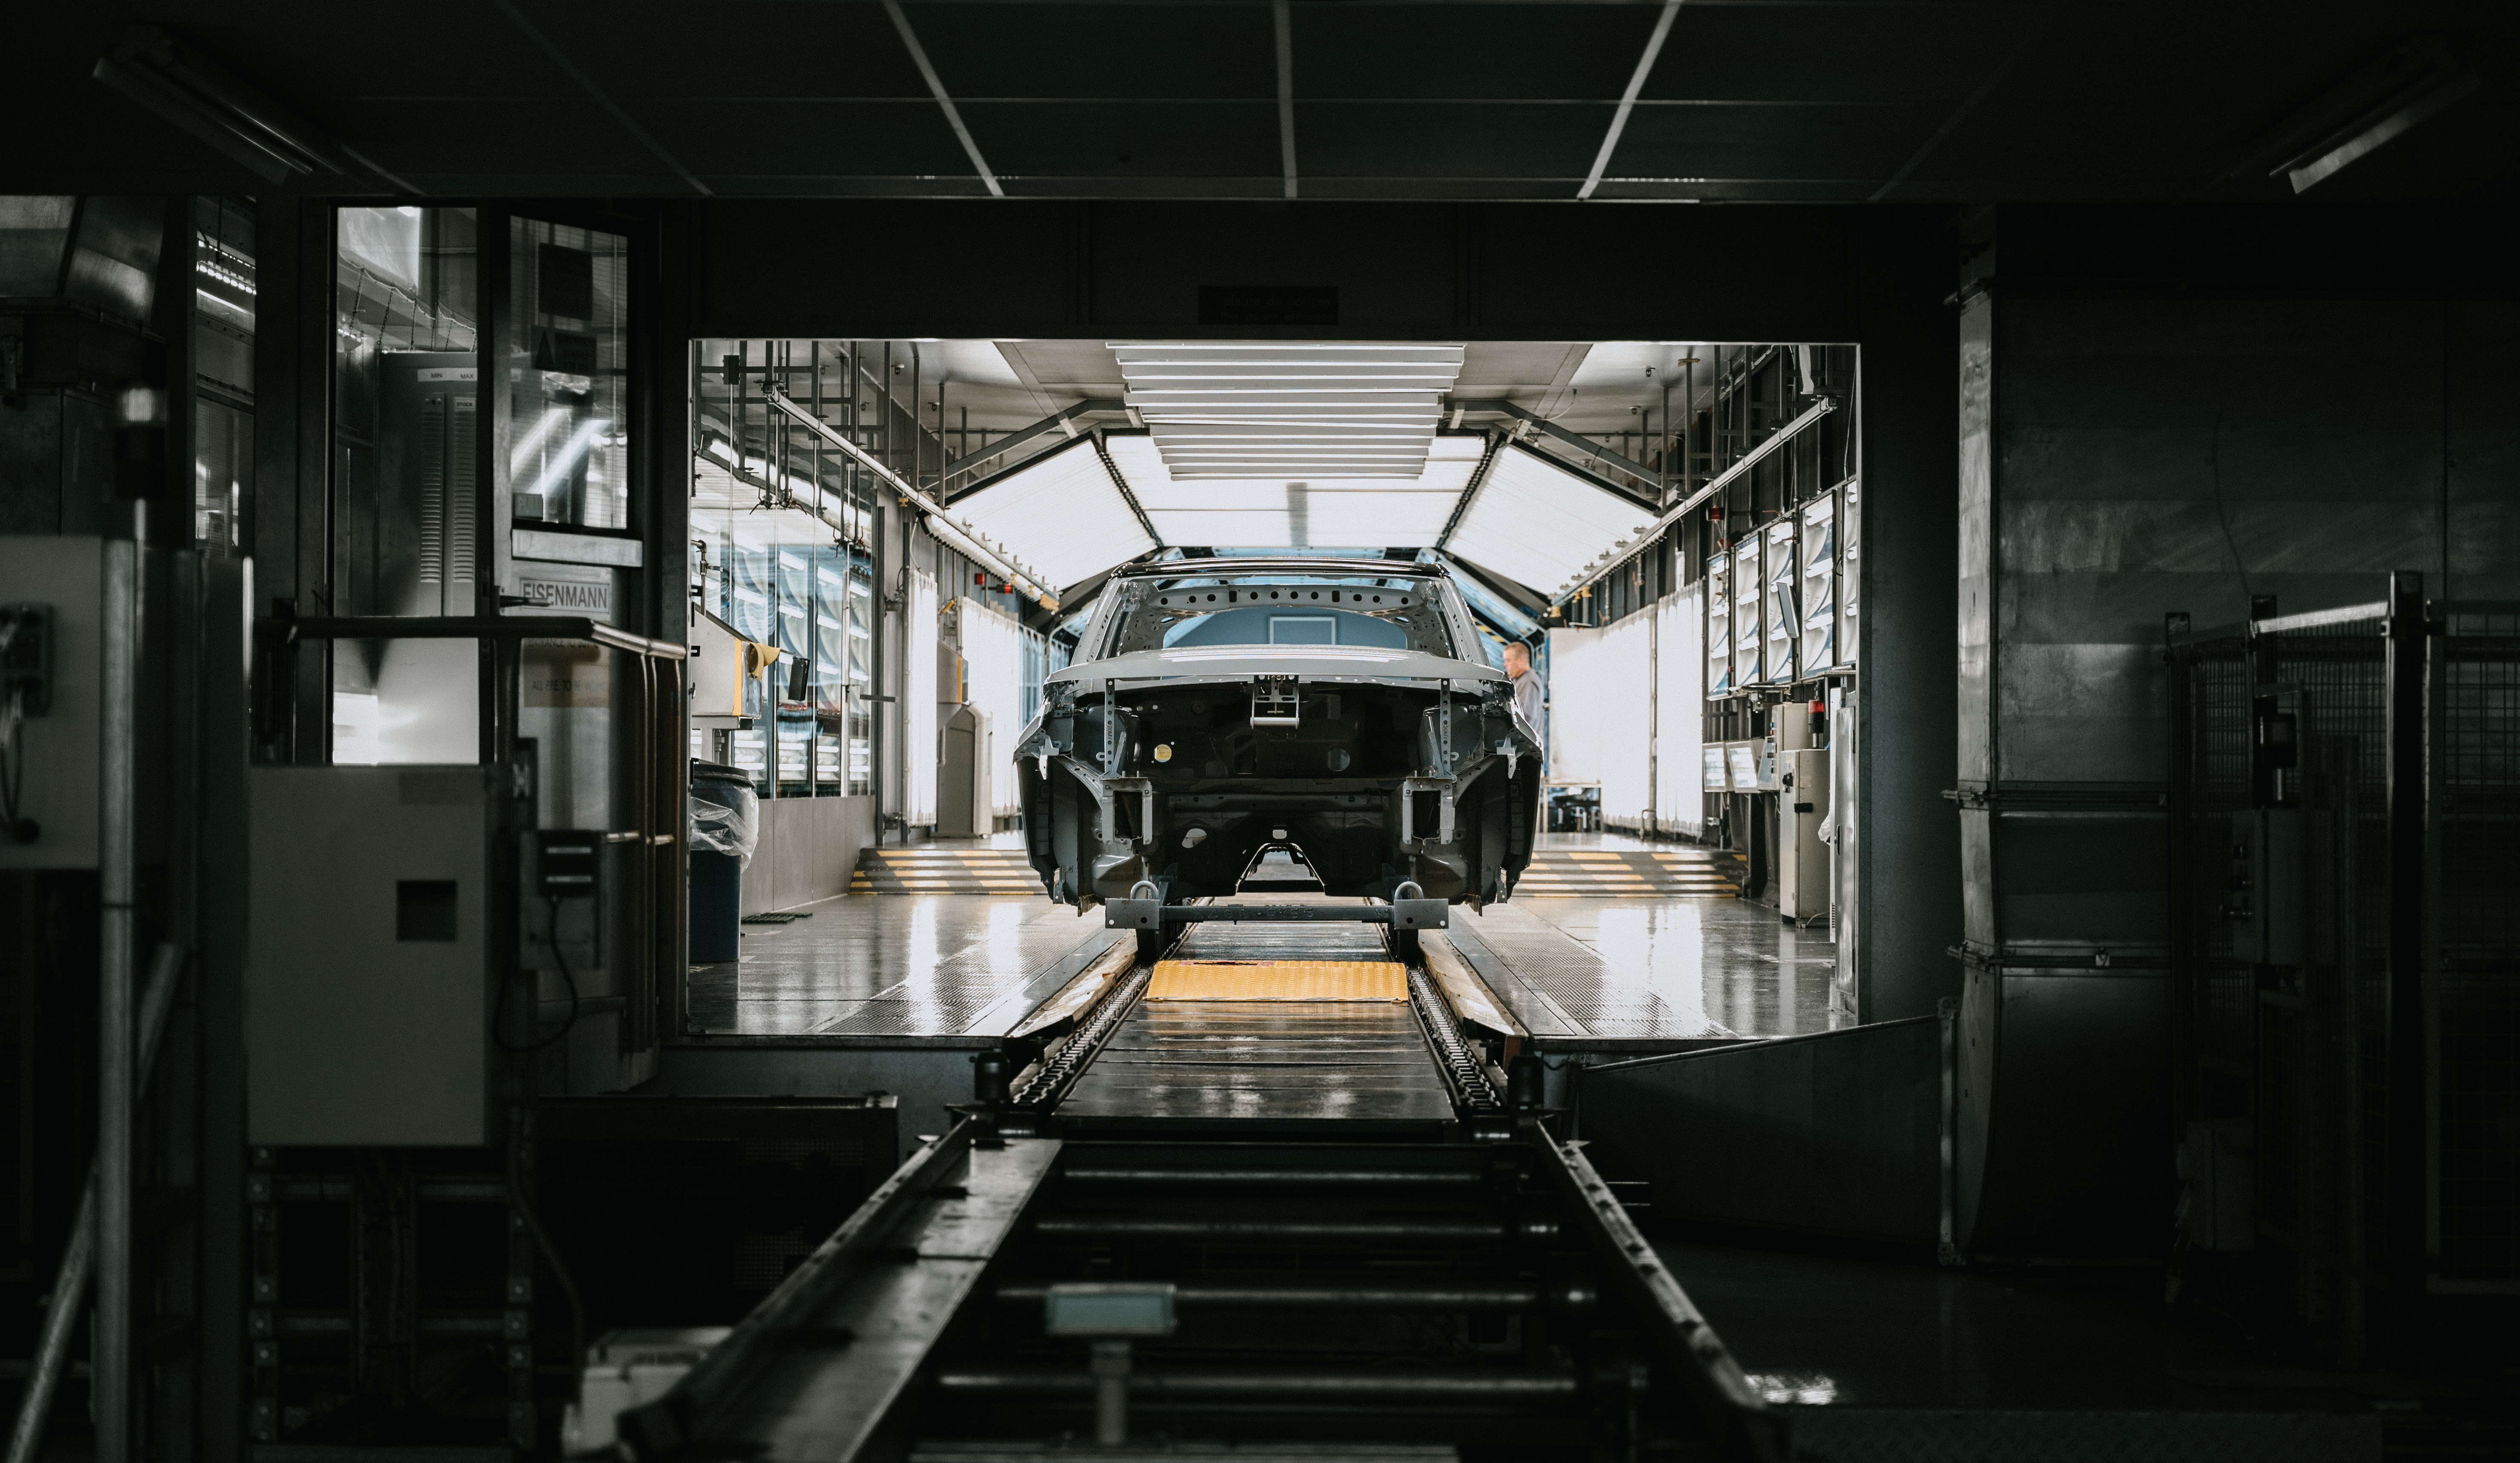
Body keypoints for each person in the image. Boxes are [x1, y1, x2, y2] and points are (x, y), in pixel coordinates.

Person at [1501, 639, 1544, 750]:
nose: (1505, 664)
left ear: (1521, 660)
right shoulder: (1520, 680)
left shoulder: (1528, 682)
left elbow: (1524, 719)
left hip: (1526, 750)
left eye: (1508, 660)